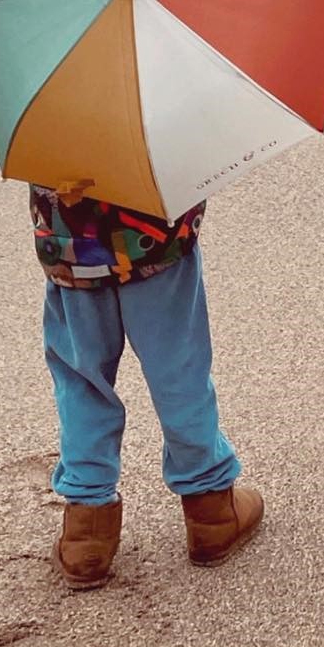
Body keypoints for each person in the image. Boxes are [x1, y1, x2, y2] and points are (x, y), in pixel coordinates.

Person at [32, 183, 262, 589]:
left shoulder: (47, 122)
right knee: (179, 368)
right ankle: (210, 508)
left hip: (72, 248)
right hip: (158, 241)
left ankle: (87, 528)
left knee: (83, 379)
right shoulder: (160, 114)